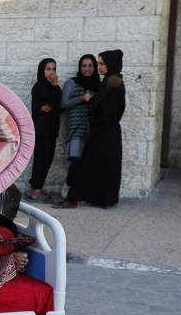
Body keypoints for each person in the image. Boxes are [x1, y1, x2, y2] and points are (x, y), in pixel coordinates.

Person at [55, 50, 125, 210]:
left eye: (101, 63)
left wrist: (92, 102)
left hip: (103, 131)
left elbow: (105, 109)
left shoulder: (110, 82)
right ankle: (102, 199)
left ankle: (72, 199)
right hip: (108, 131)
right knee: (102, 165)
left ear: (110, 64)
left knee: (86, 163)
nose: (98, 67)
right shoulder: (114, 80)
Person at [58, 54, 99, 201]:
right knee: (77, 158)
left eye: (90, 66)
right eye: (84, 65)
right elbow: (63, 104)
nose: (87, 69)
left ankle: (81, 190)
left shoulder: (97, 85)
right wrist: (81, 99)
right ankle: (68, 184)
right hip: (76, 125)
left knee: (88, 160)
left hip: (91, 127)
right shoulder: (72, 82)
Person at [25, 58, 63, 203]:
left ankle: (32, 189)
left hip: (49, 129)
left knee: (43, 159)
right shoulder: (41, 86)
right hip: (43, 129)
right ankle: (36, 191)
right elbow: (58, 101)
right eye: (48, 69)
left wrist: (54, 106)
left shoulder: (49, 87)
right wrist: (56, 86)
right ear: (42, 70)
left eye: (54, 69)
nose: (52, 73)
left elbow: (60, 105)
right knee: (43, 159)